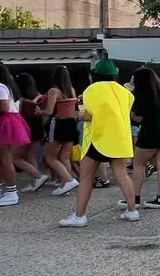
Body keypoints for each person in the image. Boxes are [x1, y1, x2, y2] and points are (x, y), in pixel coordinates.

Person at [59, 59, 138, 227]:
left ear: (95, 75)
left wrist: (79, 115)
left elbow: (88, 115)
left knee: (86, 176)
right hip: (118, 139)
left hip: (97, 139)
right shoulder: (125, 92)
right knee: (122, 174)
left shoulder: (91, 90)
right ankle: (132, 211)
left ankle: (80, 216)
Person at [125, 67, 160, 209]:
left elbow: (139, 118)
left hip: (150, 134)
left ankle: (135, 198)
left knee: (138, 163)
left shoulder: (142, 97)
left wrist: (127, 111)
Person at [0, 60, 32, 207]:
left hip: (3, 123)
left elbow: (3, 106)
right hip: (4, 122)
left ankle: (11, 192)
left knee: (5, 158)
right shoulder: (5, 86)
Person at [37, 66, 80, 196]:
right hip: (71, 124)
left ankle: (68, 180)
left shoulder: (53, 91)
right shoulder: (71, 90)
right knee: (64, 157)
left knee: (50, 157)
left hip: (58, 124)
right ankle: (65, 185)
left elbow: (49, 111)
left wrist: (40, 111)